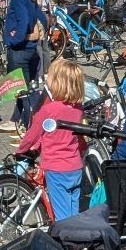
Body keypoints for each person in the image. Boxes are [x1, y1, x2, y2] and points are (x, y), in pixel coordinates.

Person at [21, 56, 87, 220]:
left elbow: (33, 134)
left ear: (58, 83)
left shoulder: (49, 110)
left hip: (56, 167)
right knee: (73, 210)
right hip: (75, 166)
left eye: (49, 77)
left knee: (62, 216)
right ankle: (77, 242)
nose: (46, 80)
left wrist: (21, 150)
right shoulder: (77, 108)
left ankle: (67, 244)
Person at [0, 0, 46, 127]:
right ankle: (16, 120)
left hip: (20, 50)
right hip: (30, 49)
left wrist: (15, 39)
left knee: (24, 91)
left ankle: (30, 128)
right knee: (29, 88)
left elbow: (24, 20)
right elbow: (43, 17)